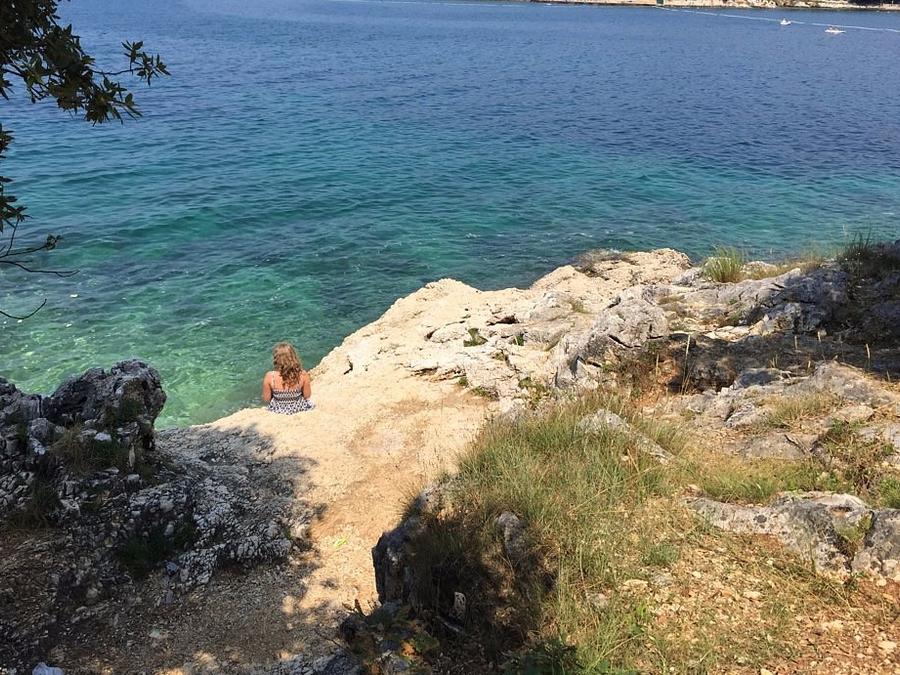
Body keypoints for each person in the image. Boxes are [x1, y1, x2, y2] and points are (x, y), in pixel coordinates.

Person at [262, 341, 314, 414]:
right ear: (293, 357)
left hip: (277, 409)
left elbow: (266, 398)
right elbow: (307, 395)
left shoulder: (270, 376)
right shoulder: (302, 374)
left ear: (276, 358)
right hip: (298, 408)